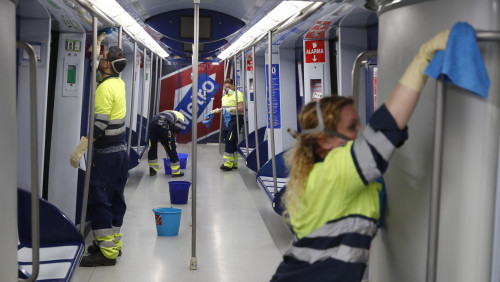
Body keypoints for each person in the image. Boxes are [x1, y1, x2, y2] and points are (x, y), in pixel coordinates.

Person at [270, 29, 449, 282]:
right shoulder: (334, 172)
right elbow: (385, 128)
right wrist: (423, 57)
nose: (361, 133)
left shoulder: (318, 174)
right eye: (352, 127)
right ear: (324, 139)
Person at [70, 46, 128, 267]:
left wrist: (82, 147)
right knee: (115, 198)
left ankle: (106, 254)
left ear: (106, 65)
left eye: (101, 59)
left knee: (99, 198)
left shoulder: (104, 89)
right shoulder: (119, 83)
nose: (99, 61)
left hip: (107, 155)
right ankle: (112, 243)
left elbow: (100, 124)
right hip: (120, 152)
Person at [210, 78, 245, 171]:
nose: (226, 89)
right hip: (226, 119)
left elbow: (241, 108)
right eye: (225, 87)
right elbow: (224, 108)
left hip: (235, 119)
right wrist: (217, 110)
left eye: (228, 87)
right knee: (229, 140)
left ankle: (228, 164)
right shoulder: (224, 97)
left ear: (233, 86)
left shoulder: (238, 94)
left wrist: (232, 109)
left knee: (230, 139)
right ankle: (234, 163)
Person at [147, 110, 187, 177]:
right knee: (171, 147)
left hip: (153, 122)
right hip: (164, 124)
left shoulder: (167, 112)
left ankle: (152, 169)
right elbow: (176, 129)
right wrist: (171, 144)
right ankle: (176, 172)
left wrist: (166, 145)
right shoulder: (181, 117)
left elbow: (163, 139)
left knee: (152, 147)